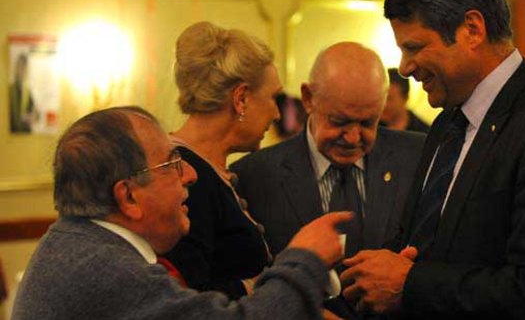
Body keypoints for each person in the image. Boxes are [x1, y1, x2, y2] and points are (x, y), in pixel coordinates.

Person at [340, 0, 525, 320]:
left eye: (414, 47)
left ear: (472, 29)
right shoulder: (447, 125)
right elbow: (414, 251)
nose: (405, 68)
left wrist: (412, 283)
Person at [11, 106, 352, 320]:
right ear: (128, 196)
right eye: (173, 164)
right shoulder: (107, 271)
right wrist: (304, 259)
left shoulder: (77, 242)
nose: (190, 175)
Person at [231, 42, 426, 318]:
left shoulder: (420, 157)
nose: (354, 137)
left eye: (368, 123)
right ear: (308, 98)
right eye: (340, 121)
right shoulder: (253, 176)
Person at [163, 21, 281, 299]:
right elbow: (189, 298)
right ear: (241, 99)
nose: (277, 113)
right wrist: (270, 287)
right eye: (274, 98)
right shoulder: (187, 179)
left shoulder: (203, 168)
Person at [379, 68, 430, 133]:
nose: (384, 105)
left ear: (405, 98)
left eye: (389, 99)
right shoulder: (372, 128)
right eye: (381, 98)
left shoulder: (424, 133)